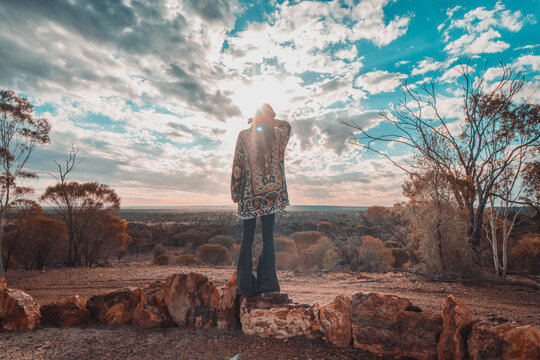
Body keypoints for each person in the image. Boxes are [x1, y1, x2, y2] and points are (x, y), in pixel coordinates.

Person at [231, 103, 292, 297]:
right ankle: (268, 285)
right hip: (272, 196)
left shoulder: (244, 136)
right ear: (271, 117)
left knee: (247, 239)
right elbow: (287, 126)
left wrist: (234, 192)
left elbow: (238, 166)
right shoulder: (279, 135)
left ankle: (246, 286)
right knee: (268, 238)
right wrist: (272, 121)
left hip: (249, 195)